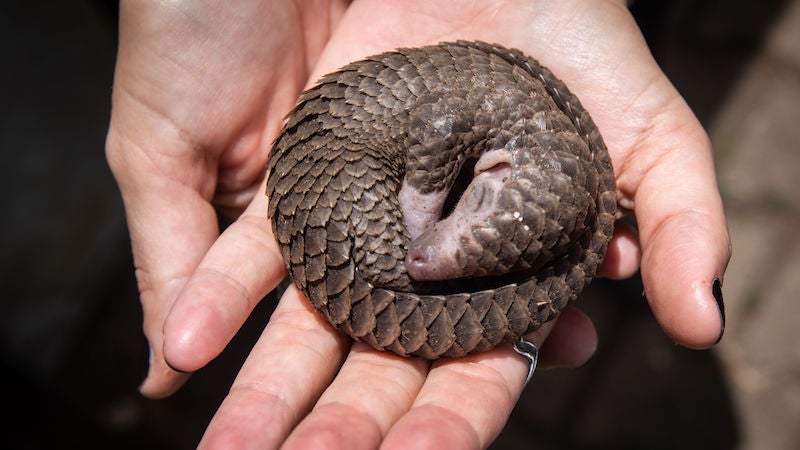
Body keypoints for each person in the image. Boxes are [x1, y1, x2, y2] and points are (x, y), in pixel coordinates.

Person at [105, 0, 731, 448]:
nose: (423, 260)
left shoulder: (510, 129)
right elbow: (440, 136)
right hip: (341, 153)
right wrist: (427, 209)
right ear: (498, 170)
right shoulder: (472, 119)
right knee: (404, 252)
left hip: (369, 173)